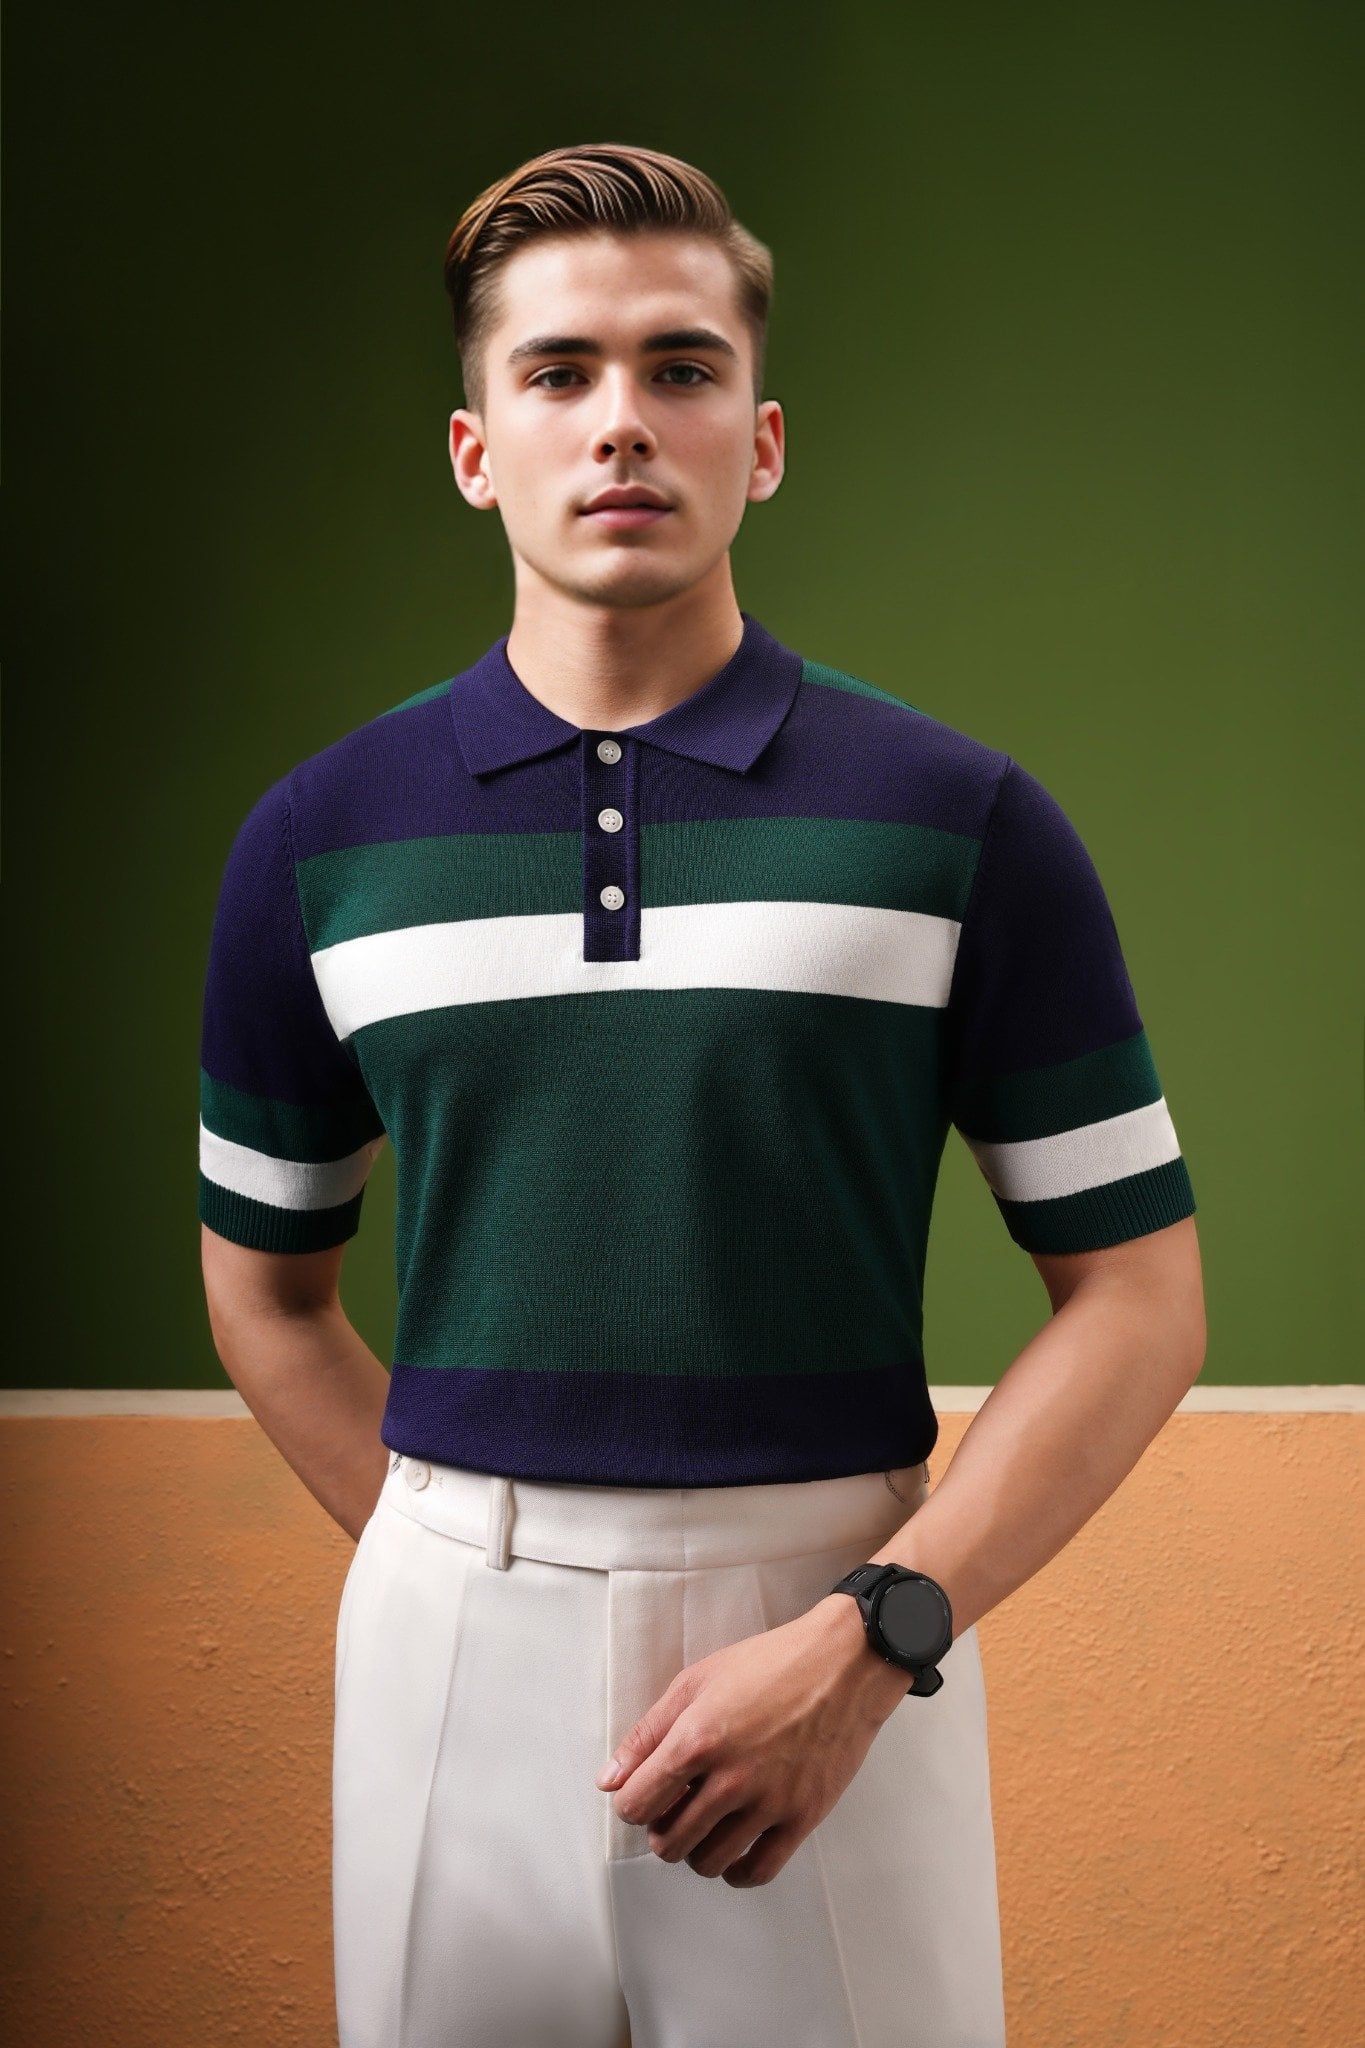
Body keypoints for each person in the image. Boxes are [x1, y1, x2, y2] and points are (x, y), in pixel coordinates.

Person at [198, 141, 1205, 2048]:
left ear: (761, 440)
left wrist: (871, 1637)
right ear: (474, 449)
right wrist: (453, 1569)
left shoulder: (959, 821)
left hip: (837, 1634)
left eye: (680, 368)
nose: (621, 422)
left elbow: (1140, 1297)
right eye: (557, 372)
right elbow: (264, 1290)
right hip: (444, 1645)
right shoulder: (317, 841)